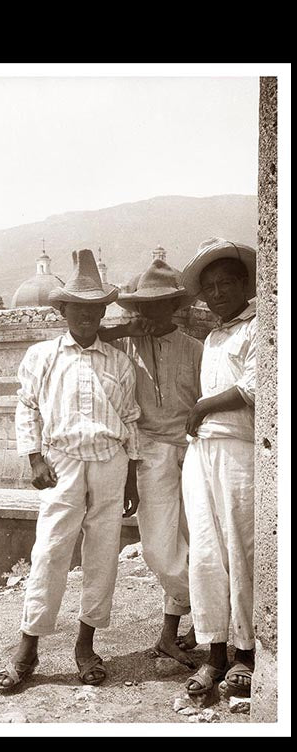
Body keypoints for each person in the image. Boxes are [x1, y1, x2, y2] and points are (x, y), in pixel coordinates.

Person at [0, 249, 141, 690]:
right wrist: (34, 456)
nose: (87, 317)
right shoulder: (42, 356)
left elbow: (130, 418)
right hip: (62, 464)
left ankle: (85, 644)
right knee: (50, 552)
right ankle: (28, 649)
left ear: (103, 312)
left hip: (111, 462)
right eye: (79, 309)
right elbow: (27, 407)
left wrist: (131, 473)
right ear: (63, 310)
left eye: (95, 309)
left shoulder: (118, 361)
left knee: (101, 555)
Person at [98, 259, 202, 668]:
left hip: (194, 451)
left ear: (175, 305)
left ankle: (169, 636)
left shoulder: (195, 347)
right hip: (149, 453)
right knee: (159, 550)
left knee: (197, 543)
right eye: (144, 306)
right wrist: (126, 329)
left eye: (160, 304)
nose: (152, 313)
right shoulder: (124, 346)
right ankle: (214, 606)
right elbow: (88, 335)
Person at [179, 238, 257, 697]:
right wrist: (200, 416)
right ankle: (215, 652)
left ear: (245, 284)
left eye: (226, 282)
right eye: (209, 287)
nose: (217, 292)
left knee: (240, 546)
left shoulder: (262, 327)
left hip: (238, 450)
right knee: (207, 553)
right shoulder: (211, 336)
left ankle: (246, 653)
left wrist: (203, 407)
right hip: (202, 451)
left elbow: (254, 385)